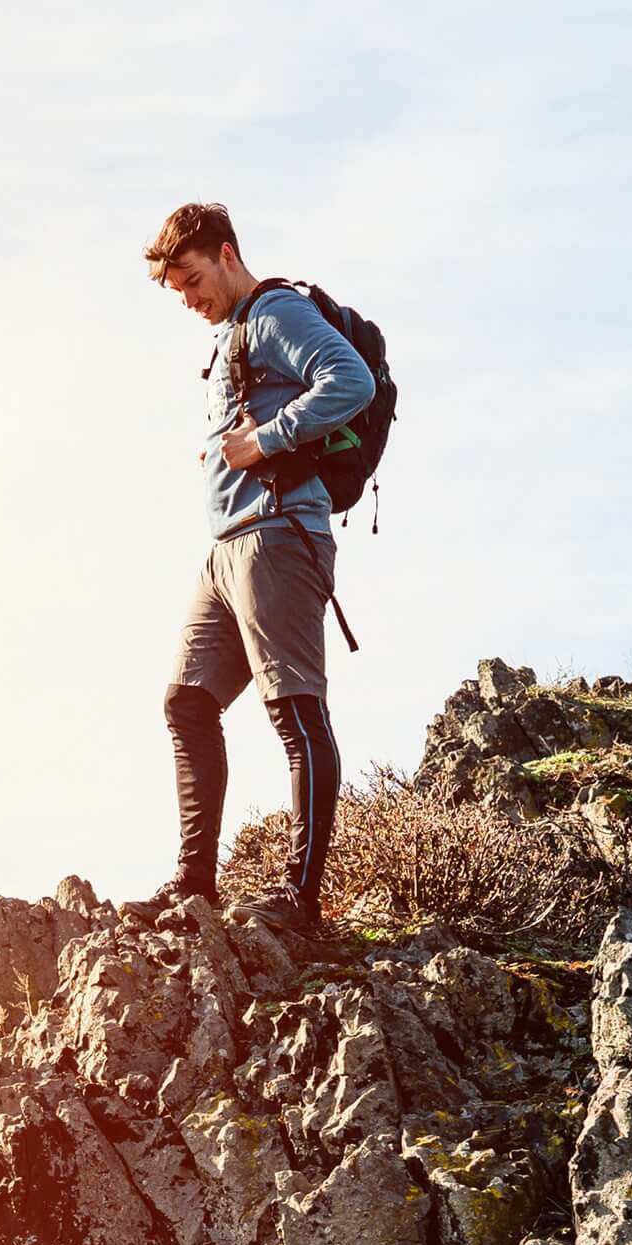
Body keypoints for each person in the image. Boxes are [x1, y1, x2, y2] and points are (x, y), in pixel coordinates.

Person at [135, 202, 377, 930]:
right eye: (175, 287)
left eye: (191, 277)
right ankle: (194, 885)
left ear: (227, 253)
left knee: (295, 711)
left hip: (277, 536)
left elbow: (352, 380)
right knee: (187, 700)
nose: (186, 297)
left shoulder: (272, 311)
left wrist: (268, 438)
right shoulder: (232, 333)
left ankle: (301, 901)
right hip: (227, 549)